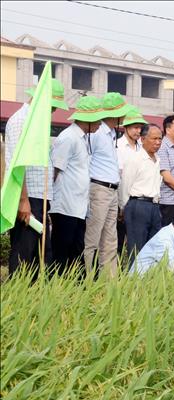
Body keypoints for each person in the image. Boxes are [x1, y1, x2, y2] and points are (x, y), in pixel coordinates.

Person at [4, 79, 68, 277]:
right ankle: (18, 297)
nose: (52, 112)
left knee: (40, 257)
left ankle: (34, 299)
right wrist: (23, 201)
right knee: (24, 253)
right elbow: (17, 164)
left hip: (40, 197)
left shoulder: (36, 120)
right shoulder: (20, 120)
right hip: (28, 198)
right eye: (51, 107)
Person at [50, 96, 105, 274]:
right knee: (62, 251)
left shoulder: (82, 138)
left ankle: (74, 289)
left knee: (76, 250)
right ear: (87, 119)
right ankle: (56, 287)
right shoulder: (68, 138)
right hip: (65, 205)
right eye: (98, 120)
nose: (100, 124)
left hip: (78, 206)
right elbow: (55, 171)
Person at [84, 92, 134, 277]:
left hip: (112, 190)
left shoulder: (112, 133)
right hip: (98, 189)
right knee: (93, 237)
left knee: (110, 238)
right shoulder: (96, 133)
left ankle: (109, 279)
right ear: (115, 114)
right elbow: (87, 161)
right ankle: (86, 277)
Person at [119, 124, 164, 266]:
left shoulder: (158, 160)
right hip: (137, 204)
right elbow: (126, 184)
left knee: (153, 247)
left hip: (155, 205)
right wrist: (123, 207)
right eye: (154, 139)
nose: (157, 142)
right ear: (143, 139)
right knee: (136, 247)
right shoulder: (135, 158)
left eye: (160, 139)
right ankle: (134, 279)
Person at [116, 108, 148, 255]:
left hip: (140, 201)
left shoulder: (142, 149)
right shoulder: (118, 147)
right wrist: (122, 204)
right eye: (135, 127)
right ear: (126, 127)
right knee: (119, 239)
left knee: (137, 242)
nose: (138, 131)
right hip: (122, 200)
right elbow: (121, 178)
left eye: (140, 128)